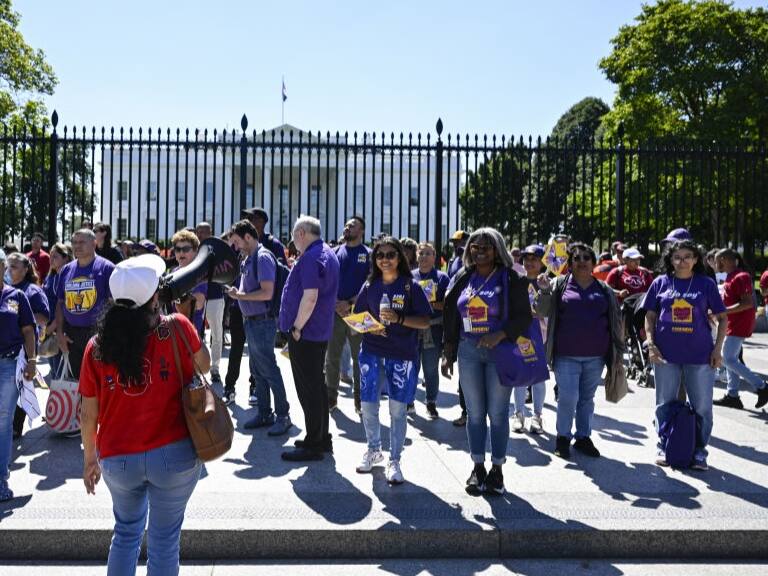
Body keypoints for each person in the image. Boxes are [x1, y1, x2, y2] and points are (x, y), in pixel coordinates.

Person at [79, 253, 209, 575]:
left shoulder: (96, 346)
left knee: (125, 535)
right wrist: (185, 316)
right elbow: (204, 364)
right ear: (155, 296)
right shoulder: (177, 327)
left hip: (119, 457)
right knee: (164, 541)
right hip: (173, 453)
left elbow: (87, 414)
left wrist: (90, 460)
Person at [442, 228, 532, 495]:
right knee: (475, 414)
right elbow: (452, 313)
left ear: (497, 250)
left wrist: (500, 334)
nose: (480, 251)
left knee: (498, 413)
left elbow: (524, 316)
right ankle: (478, 467)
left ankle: (497, 470)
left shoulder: (511, 277)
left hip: (500, 351)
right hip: (468, 350)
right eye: (475, 247)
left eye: (486, 247)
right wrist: (448, 352)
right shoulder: (463, 276)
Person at [643, 240, 727, 470]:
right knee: (664, 404)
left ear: (696, 259)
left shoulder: (706, 284)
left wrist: (717, 349)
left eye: (687, 256)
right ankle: (664, 443)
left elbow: (723, 317)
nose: (682, 261)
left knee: (702, 407)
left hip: (700, 355)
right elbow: (649, 316)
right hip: (665, 355)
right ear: (670, 260)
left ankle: (700, 450)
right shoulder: (660, 282)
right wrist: (650, 344)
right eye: (677, 257)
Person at [353, 237, 430, 483]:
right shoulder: (370, 285)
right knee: (368, 406)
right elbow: (357, 317)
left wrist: (398, 319)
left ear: (400, 258)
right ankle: (374, 450)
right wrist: (370, 327)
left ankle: (394, 459)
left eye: (390, 255)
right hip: (372, 352)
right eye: (380, 255)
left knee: (397, 410)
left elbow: (425, 321)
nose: (385, 259)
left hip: (401, 354)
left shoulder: (411, 286)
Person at [536, 242, 624, 460]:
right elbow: (541, 311)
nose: (582, 261)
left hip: (596, 356)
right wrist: (545, 291)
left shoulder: (604, 290)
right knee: (568, 397)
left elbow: (615, 321)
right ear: (570, 263)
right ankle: (562, 438)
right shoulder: (558, 284)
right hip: (566, 355)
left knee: (587, 398)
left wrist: (617, 351)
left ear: (594, 263)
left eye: (587, 258)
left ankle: (583, 437)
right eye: (577, 258)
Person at [279, 216, 340, 461]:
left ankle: (314, 444)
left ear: (302, 233)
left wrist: (296, 327)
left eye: (294, 236)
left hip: (306, 332)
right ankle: (320, 437)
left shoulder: (312, 257)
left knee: (309, 390)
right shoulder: (326, 252)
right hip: (318, 331)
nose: (293, 242)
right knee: (317, 387)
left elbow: (310, 297)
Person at [228, 220, 292, 435]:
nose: (236, 247)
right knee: (258, 370)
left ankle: (283, 415)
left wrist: (240, 295)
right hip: (253, 322)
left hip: (261, 322)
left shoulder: (262, 257)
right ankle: (265, 413)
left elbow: (267, 292)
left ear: (248, 237)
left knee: (268, 369)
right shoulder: (249, 258)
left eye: (237, 242)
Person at [0, 249, 37, 501]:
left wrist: (33, 360)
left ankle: (1, 480)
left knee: (3, 422)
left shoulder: (16, 296)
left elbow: (28, 331)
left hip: (8, 365)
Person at [54, 229, 115, 379]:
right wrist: (60, 333)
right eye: (74, 242)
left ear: (94, 244)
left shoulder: (107, 268)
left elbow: (115, 305)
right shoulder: (66, 270)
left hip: (98, 336)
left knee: (98, 383)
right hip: (71, 337)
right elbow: (60, 303)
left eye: (82, 242)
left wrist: (108, 336)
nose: (77, 246)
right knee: (75, 385)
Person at [325, 216, 371, 414]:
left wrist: (350, 302)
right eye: (346, 225)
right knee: (332, 357)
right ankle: (330, 398)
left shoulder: (368, 254)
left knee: (360, 359)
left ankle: (360, 401)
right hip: (335, 313)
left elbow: (370, 282)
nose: (347, 227)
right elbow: (326, 280)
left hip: (359, 313)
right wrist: (335, 303)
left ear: (361, 231)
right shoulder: (334, 252)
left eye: (352, 225)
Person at [712, 249, 768, 410]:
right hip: (732, 324)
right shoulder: (730, 276)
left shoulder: (741, 276)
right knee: (732, 359)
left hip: (740, 324)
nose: (715, 265)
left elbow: (748, 303)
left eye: (717, 261)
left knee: (727, 359)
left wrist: (723, 311)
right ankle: (733, 396)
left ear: (724, 260)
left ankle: (762, 386)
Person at [7, 253, 50, 439]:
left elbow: (44, 317)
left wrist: (23, 315)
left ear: (25, 270)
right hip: (5, 346)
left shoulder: (32, 290)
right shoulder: (5, 288)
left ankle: (16, 426)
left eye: (14, 267)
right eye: (8, 266)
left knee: (20, 387)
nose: (9, 270)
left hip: (24, 348)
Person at [411, 242, 450, 419]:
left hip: (433, 329)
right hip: (412, 330)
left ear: (434, 257)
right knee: (411, 367)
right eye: (421, 253)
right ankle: (409, 401)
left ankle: (431, 402)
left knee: (430, 368)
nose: (424, 257)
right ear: (416, 256)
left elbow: (449, 305)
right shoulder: (410, 277)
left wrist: (433, 303)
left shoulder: (442, 278)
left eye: (428, 253)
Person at [513, 244, 548, 434]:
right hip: (521, 332)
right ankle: (518, 414)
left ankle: (537, 416)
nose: (529, 262)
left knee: (538, 378)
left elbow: (551, 310)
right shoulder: (517, 281)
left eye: (534, 259)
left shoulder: (549, 282)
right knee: (520, 375)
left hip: (539, 333)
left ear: (543, 262)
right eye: (526, 258)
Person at [195, 222, 225, 384]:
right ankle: (197, 368)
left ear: (210, 233)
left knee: (216, 333)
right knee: (195, 333)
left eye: (204, 232)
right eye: (198, 232)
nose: (200, 235)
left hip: (214, 295)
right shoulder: (193, 249)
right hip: (197, 296)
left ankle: (215, 368)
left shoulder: (217, 250)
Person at [447, 229, 469, 426]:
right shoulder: (454, 261)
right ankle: (466, 411)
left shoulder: (471, 263)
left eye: (460, 242)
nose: (456, 245)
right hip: (457, 322)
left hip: (476, 324)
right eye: (454, 242)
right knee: (464, 374)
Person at [42, 243, 73, 379]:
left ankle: (62, 400)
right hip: (48, 330)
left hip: (59, 330)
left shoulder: (68, 277)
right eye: (50, 256)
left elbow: (66, 305)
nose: (51, 259)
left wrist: (53, 327)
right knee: (54, 371)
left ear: (66, 258)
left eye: (55, 256)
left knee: (60, 373)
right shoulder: (51, 276)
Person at [169, 230, 207, 335]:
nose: (181, 253)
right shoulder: (173, 272)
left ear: (195, 251)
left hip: (192, 330)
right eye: (177, 249)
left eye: (186, 249)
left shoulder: (199, 273)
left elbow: (199, 304)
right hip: (175, 328)